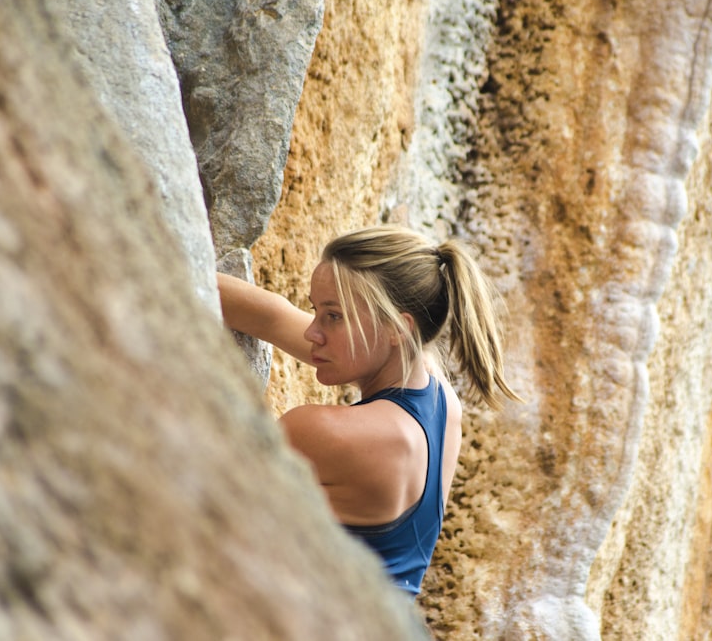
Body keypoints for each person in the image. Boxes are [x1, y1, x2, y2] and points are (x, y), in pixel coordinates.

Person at [216, 225, 521, 596]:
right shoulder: (442, 401)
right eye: (315, 310)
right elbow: (275, 319)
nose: (313, 332)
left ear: (397, 328)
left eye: (333, 316)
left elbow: (205, 492)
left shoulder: (328, 434)